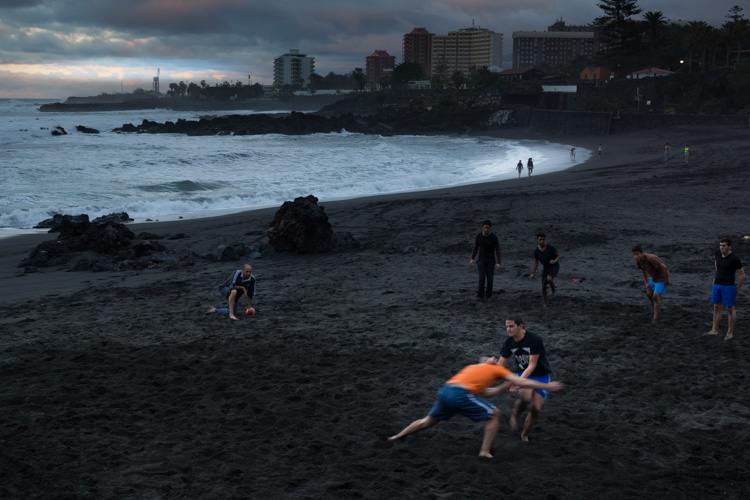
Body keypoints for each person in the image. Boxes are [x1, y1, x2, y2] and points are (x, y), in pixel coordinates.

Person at [388, 358, 563, 457]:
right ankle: (485, 452)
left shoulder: (473, 367)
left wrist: (498, 386)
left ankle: (398, 436)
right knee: (494, 414)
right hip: (459, 395)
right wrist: (546, 387)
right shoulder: (498, 370)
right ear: (494, 364)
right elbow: (521, 381)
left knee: (428, 421)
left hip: (445, 391)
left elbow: (485, 392)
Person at [489, 315, 558, 442]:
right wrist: (489, 368)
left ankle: (525, 434)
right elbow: (501, 365)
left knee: (536, 409)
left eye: (511, 326)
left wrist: (517, 382)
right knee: (525, 398)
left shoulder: (534, 339)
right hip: (523, 372)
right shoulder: (509, 342)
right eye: (507, 327)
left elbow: (532, 365)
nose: (508, 330)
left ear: (520, 326)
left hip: (540, 375)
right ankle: (515, 415)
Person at [705, 237, 745, 340]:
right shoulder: (717, 253)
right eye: (720, 245)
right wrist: (716, 276)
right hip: (717, 284)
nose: (722, 248)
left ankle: (730, 333)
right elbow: (717, 264)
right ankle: (714, 330)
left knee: (729, 309)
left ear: (729, 246)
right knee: (716, 307)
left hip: (729, 286)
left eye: (724, 246)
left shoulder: (734, 259)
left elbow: (742, 275)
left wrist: (738, 288)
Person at [632, 245, 670, 323]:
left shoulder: (650, 259)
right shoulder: (639, 261)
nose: (635, 256)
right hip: (653, 278)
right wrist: (646, 282)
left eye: (637, 254)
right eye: (634, 255)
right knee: (649, 294)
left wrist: (666, 280)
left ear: (642, 253)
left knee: (656, 296)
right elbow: (643, 271)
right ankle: (657, 310)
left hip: (661, 277)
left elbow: (664, 268)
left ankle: (655, 318)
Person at [470, 220, 502, 301]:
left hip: (491, 261)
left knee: (490, 279)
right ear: (482, 228)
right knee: (481, 278)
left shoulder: (494, 237)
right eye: (485, 228)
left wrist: (499, 262)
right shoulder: (479, 236)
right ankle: (480, 295)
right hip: (481, 260)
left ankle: (488, 295)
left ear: (490, 228)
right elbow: (475, 247)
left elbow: (497, 250)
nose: (486, 229)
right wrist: (472, 258)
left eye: (487, 228)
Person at [529, 233, 562, 306]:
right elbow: (536, 262)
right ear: (537, 240)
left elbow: (559, 256)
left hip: (554, 266)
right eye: (540, 239)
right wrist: (533, 273)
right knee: (544, 285)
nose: (541, 241)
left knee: (549, 279)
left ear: (545, 239)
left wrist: (554, 261)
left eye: (543, 239)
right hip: (546, 267)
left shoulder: (550, 247)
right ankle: (545, 303)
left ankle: (553, 291)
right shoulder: (536, 251)